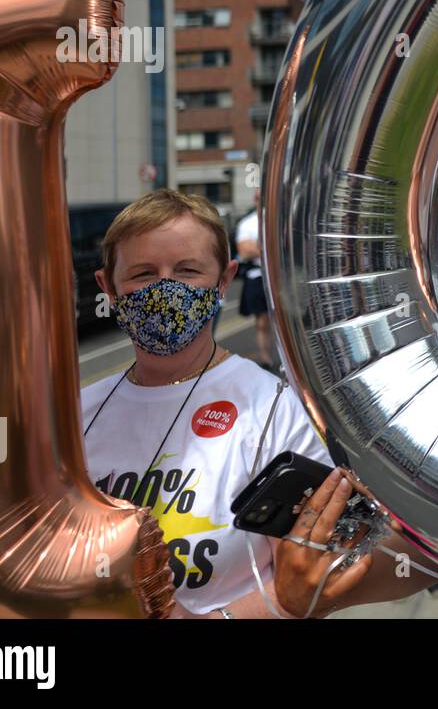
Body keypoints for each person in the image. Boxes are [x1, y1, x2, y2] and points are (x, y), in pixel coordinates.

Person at [82, 189, 337, 617]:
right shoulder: (77, 415)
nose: (165, 289)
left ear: (224, 281)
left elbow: (307, 579)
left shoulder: (275, 410)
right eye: (143, 274)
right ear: (107, 287)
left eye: (187, 271)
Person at [234, 191, 273, 369]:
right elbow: (244, 251)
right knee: (262, 319)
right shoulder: (247, 224)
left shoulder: (275, 221)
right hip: (257, 277)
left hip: (276, 277)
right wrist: (268, 248)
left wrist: (258, 248)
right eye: (258, 197)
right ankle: (265, 357)